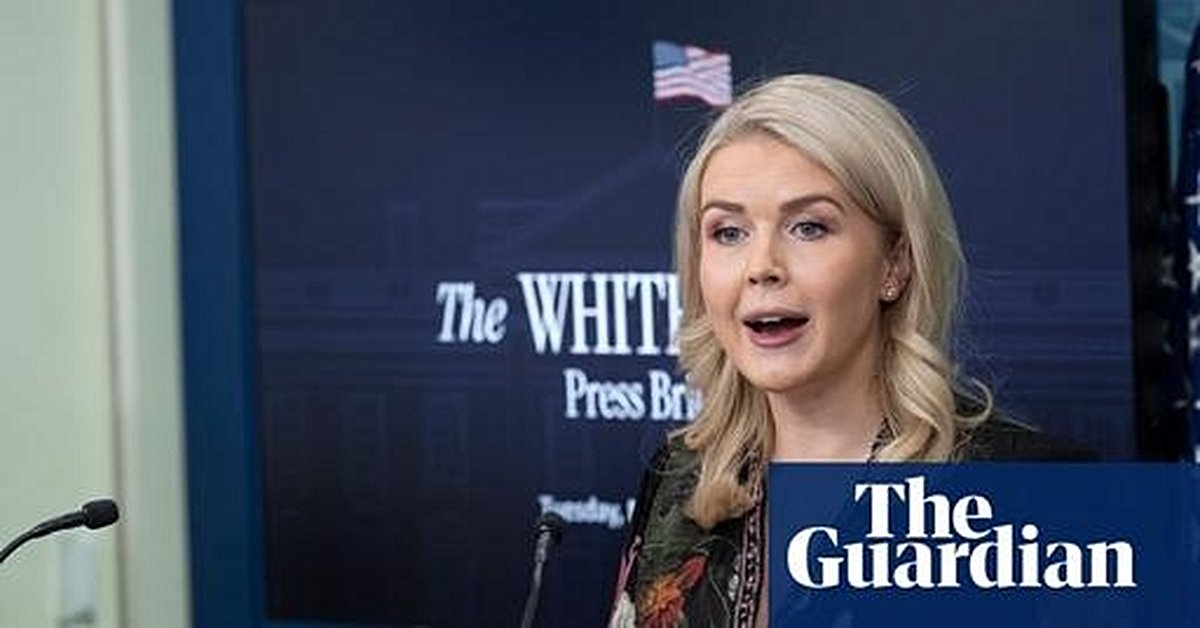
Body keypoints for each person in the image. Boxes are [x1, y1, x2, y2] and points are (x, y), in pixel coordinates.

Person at [606, 74, 1088, 628]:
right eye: (728, 232)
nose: (761, 267)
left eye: (808, 227)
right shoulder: (677, 479)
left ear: (895, 263)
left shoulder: (1037, 490)